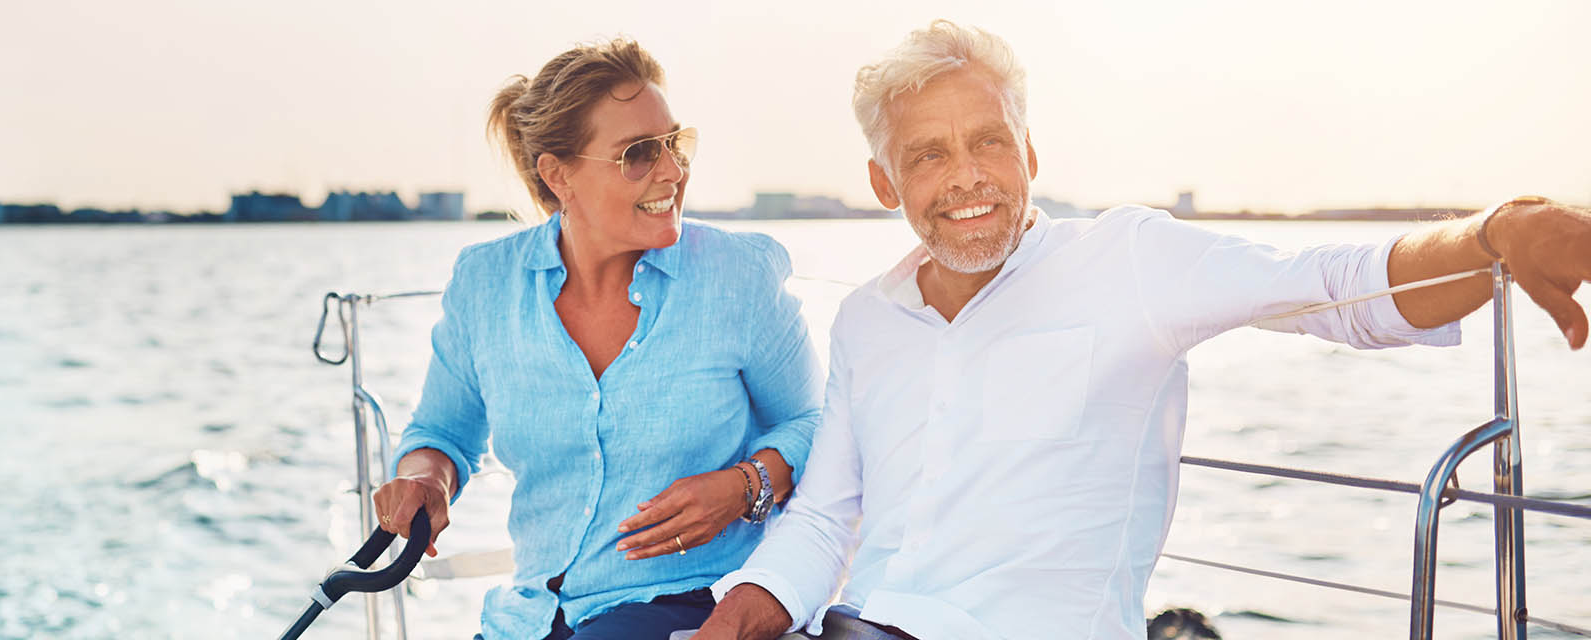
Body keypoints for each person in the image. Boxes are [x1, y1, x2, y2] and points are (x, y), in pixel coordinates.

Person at [692, 20, 1591, 640]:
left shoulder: (1126, 261)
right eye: (928, 154)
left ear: (1031, 152)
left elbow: (1331, 288)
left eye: (990, 142)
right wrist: (744, 610)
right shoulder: (864, 319)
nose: (968, 178)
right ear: (886, 184)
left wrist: (1490, 237)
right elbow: (826, 514)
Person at [371, 38, 824, 640]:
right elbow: (443, 434)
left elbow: (815, 424)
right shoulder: (485, 284)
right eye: (638, 153)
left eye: (675, 144)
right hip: (527, 616)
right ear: (559, 176)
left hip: (687, 602)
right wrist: (426, 480)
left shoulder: (738, 276)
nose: (672, 171)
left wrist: (743, 487)